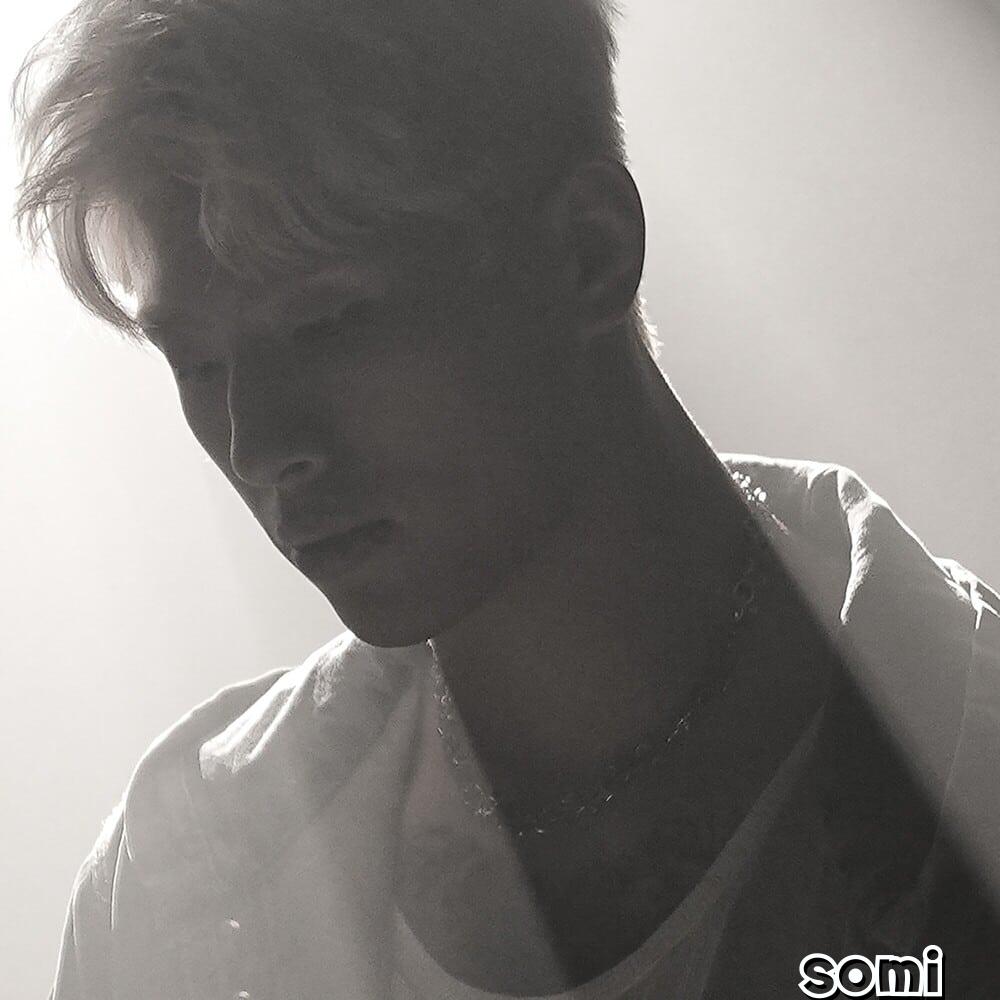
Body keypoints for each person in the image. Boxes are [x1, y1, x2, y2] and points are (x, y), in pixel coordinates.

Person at [13, 1, 1000, 997]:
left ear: (588, 251)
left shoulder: (972, 757)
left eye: (327, 320)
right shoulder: (170, 879)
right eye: (198, 363)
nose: (259, 444)